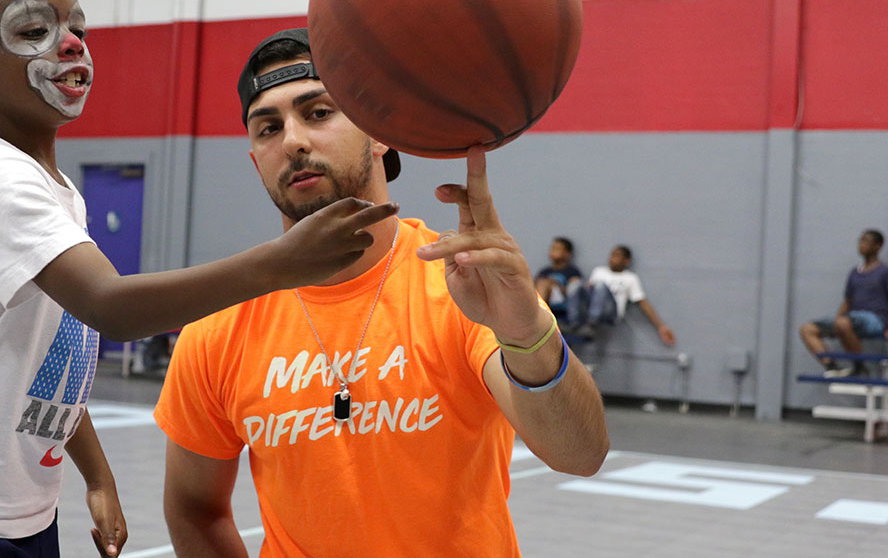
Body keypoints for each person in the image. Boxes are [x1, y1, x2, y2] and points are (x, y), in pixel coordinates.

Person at [0, 0, 396, 558]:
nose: (70, 46)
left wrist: (96, 474)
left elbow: (52, 359)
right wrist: (280, 264)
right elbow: (111, 310)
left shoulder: (54, 192)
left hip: (20, 501)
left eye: (78, 30)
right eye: (36, 30)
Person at [154, 28, 609, 557]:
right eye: (269, 128)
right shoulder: (219, 325)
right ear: (257, 160)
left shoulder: (462, 284)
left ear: (378, 133)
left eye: (318, 112)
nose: (293, 140)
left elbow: (579, 453)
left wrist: (523, 331)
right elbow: (194, 509)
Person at [798, 229, 888, 377]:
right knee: (807, 329)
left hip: (876, 320)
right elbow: (848, 300)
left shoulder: (884, 272)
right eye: (860, 240)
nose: (861, 244)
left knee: (843, 323)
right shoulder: (854, 273)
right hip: (850, 319)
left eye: (866, 241)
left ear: (877, 246)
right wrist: (837, 322)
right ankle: (831, 366)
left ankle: (860, 368)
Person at [568, 245, 676, 346]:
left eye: (617, 256)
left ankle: (591, 324)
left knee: (600, 286)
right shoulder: (599, 271)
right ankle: (573, 323)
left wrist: (661, 326)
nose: (612, 258)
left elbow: (642, 302)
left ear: (626, 260)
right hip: (592, 306)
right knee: (575, 284)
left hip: (611, 312)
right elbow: (588, 291)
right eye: (612, 255)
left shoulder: (630, 278)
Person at [534, 236, 582, 325]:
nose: (552, 251)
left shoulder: (572, 271)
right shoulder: (545, 271)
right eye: (552, 248)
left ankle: (537, 315)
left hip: (561, 301)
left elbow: (572, 293)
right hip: (545, 299)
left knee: (543, 283)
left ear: (567, 253)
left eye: (557, 249)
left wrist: (555, 284)